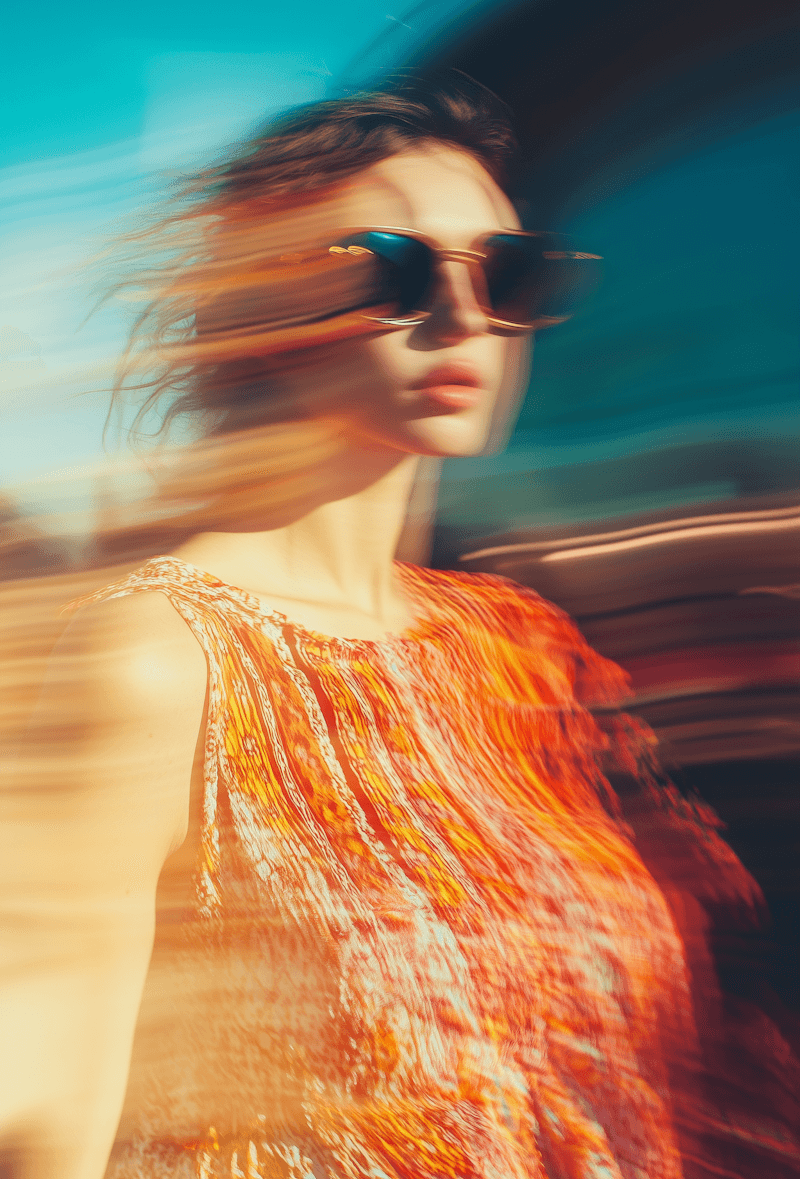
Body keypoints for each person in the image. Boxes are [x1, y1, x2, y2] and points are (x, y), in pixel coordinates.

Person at [2, 73, 781, 1179]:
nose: (463, 316)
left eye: (506, 273)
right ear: (266, 308)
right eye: (392, 269)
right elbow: (40, 1119)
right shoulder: (160, 658)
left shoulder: (520, 649)